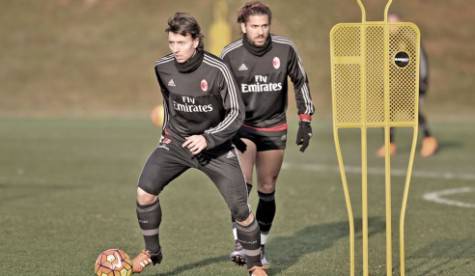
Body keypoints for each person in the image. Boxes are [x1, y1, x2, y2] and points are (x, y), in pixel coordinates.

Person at [132, 12, 267, 276]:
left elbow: (236, 113)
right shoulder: (162, 67)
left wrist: (208, 138)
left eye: (181, 43)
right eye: (171, 43)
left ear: (195, 41)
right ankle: (151, 251)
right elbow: (169, 105)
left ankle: (255, 266)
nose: (175, 49)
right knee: (144, 193)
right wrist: (166, 133)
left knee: (241, 211)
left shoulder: (218, 70)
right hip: (177, 144)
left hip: (215, 148)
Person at [220, 1, 315, 267]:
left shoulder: (285, 49)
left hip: (274, 126)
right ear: (243, 27)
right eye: (254, 27)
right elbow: (218, 91)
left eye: (264, 26)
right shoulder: (230, 53)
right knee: (241, 184)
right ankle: (241, 242)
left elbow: (301, 80)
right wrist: (225, 127)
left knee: (267, 187)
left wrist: (305, 120)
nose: (260, 32)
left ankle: (259, 246)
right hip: (244, 127)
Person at [377, 13, 438, 158]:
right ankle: (389, 144)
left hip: (411, 82)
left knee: (414, 111)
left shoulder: (409, 37)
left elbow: (421, 59)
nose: (391, 26)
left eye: (394, 23)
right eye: (389, 23)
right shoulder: (387, 41)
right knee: (387, 112)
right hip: (396, 84)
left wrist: (422, 80)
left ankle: (429, 140)